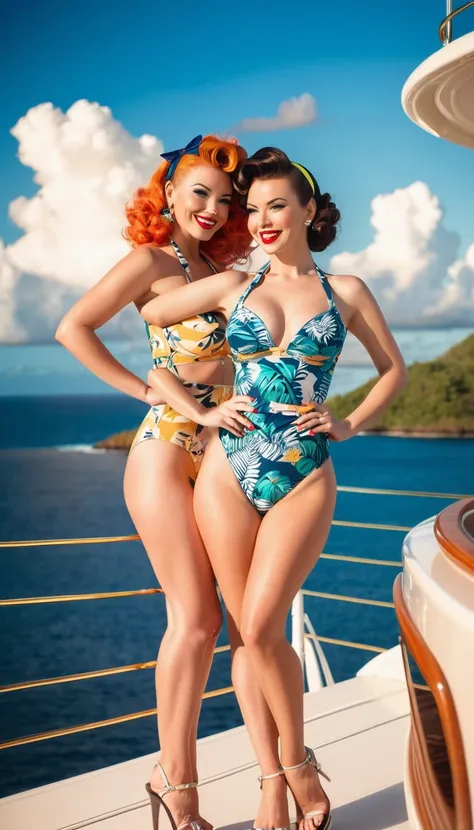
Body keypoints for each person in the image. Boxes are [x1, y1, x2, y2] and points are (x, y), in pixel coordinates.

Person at [141, 147, 408, 830]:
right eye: (250, 207)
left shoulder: (344, 290)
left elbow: (393, 372)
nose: (258, 219)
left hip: (304, 474)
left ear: (309, 211)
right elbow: (153, 319)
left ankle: (297, 763)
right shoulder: (234, 286)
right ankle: (271, 784)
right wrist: (198, 407)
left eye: (275, 205)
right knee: (243, 635)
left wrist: (347, 422)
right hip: (228, 472)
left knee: (260, 626)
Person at [55, 134, 253, 830]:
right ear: (166, 191)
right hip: (165, 452)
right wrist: (146, 390)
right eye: (199, 191)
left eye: (224, 200)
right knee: (195, 620)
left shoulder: (214, 261)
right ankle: (178, 789)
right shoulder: (148, 260)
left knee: (231, 622)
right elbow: (72, 327)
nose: (211, 207)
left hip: (219, 455)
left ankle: (215, 784)